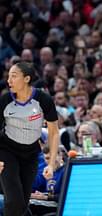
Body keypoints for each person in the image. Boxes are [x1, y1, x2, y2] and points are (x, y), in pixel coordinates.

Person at [0, 62, 59, 215]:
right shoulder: (5, 101)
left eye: (14, 76)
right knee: (13, 201)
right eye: (8, 77)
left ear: (26, 79)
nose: (9, 81)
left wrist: (51, 164)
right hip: (7, 152)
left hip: (31, 154)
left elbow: (53, 132)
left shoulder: (43, 99)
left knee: (22, 204)